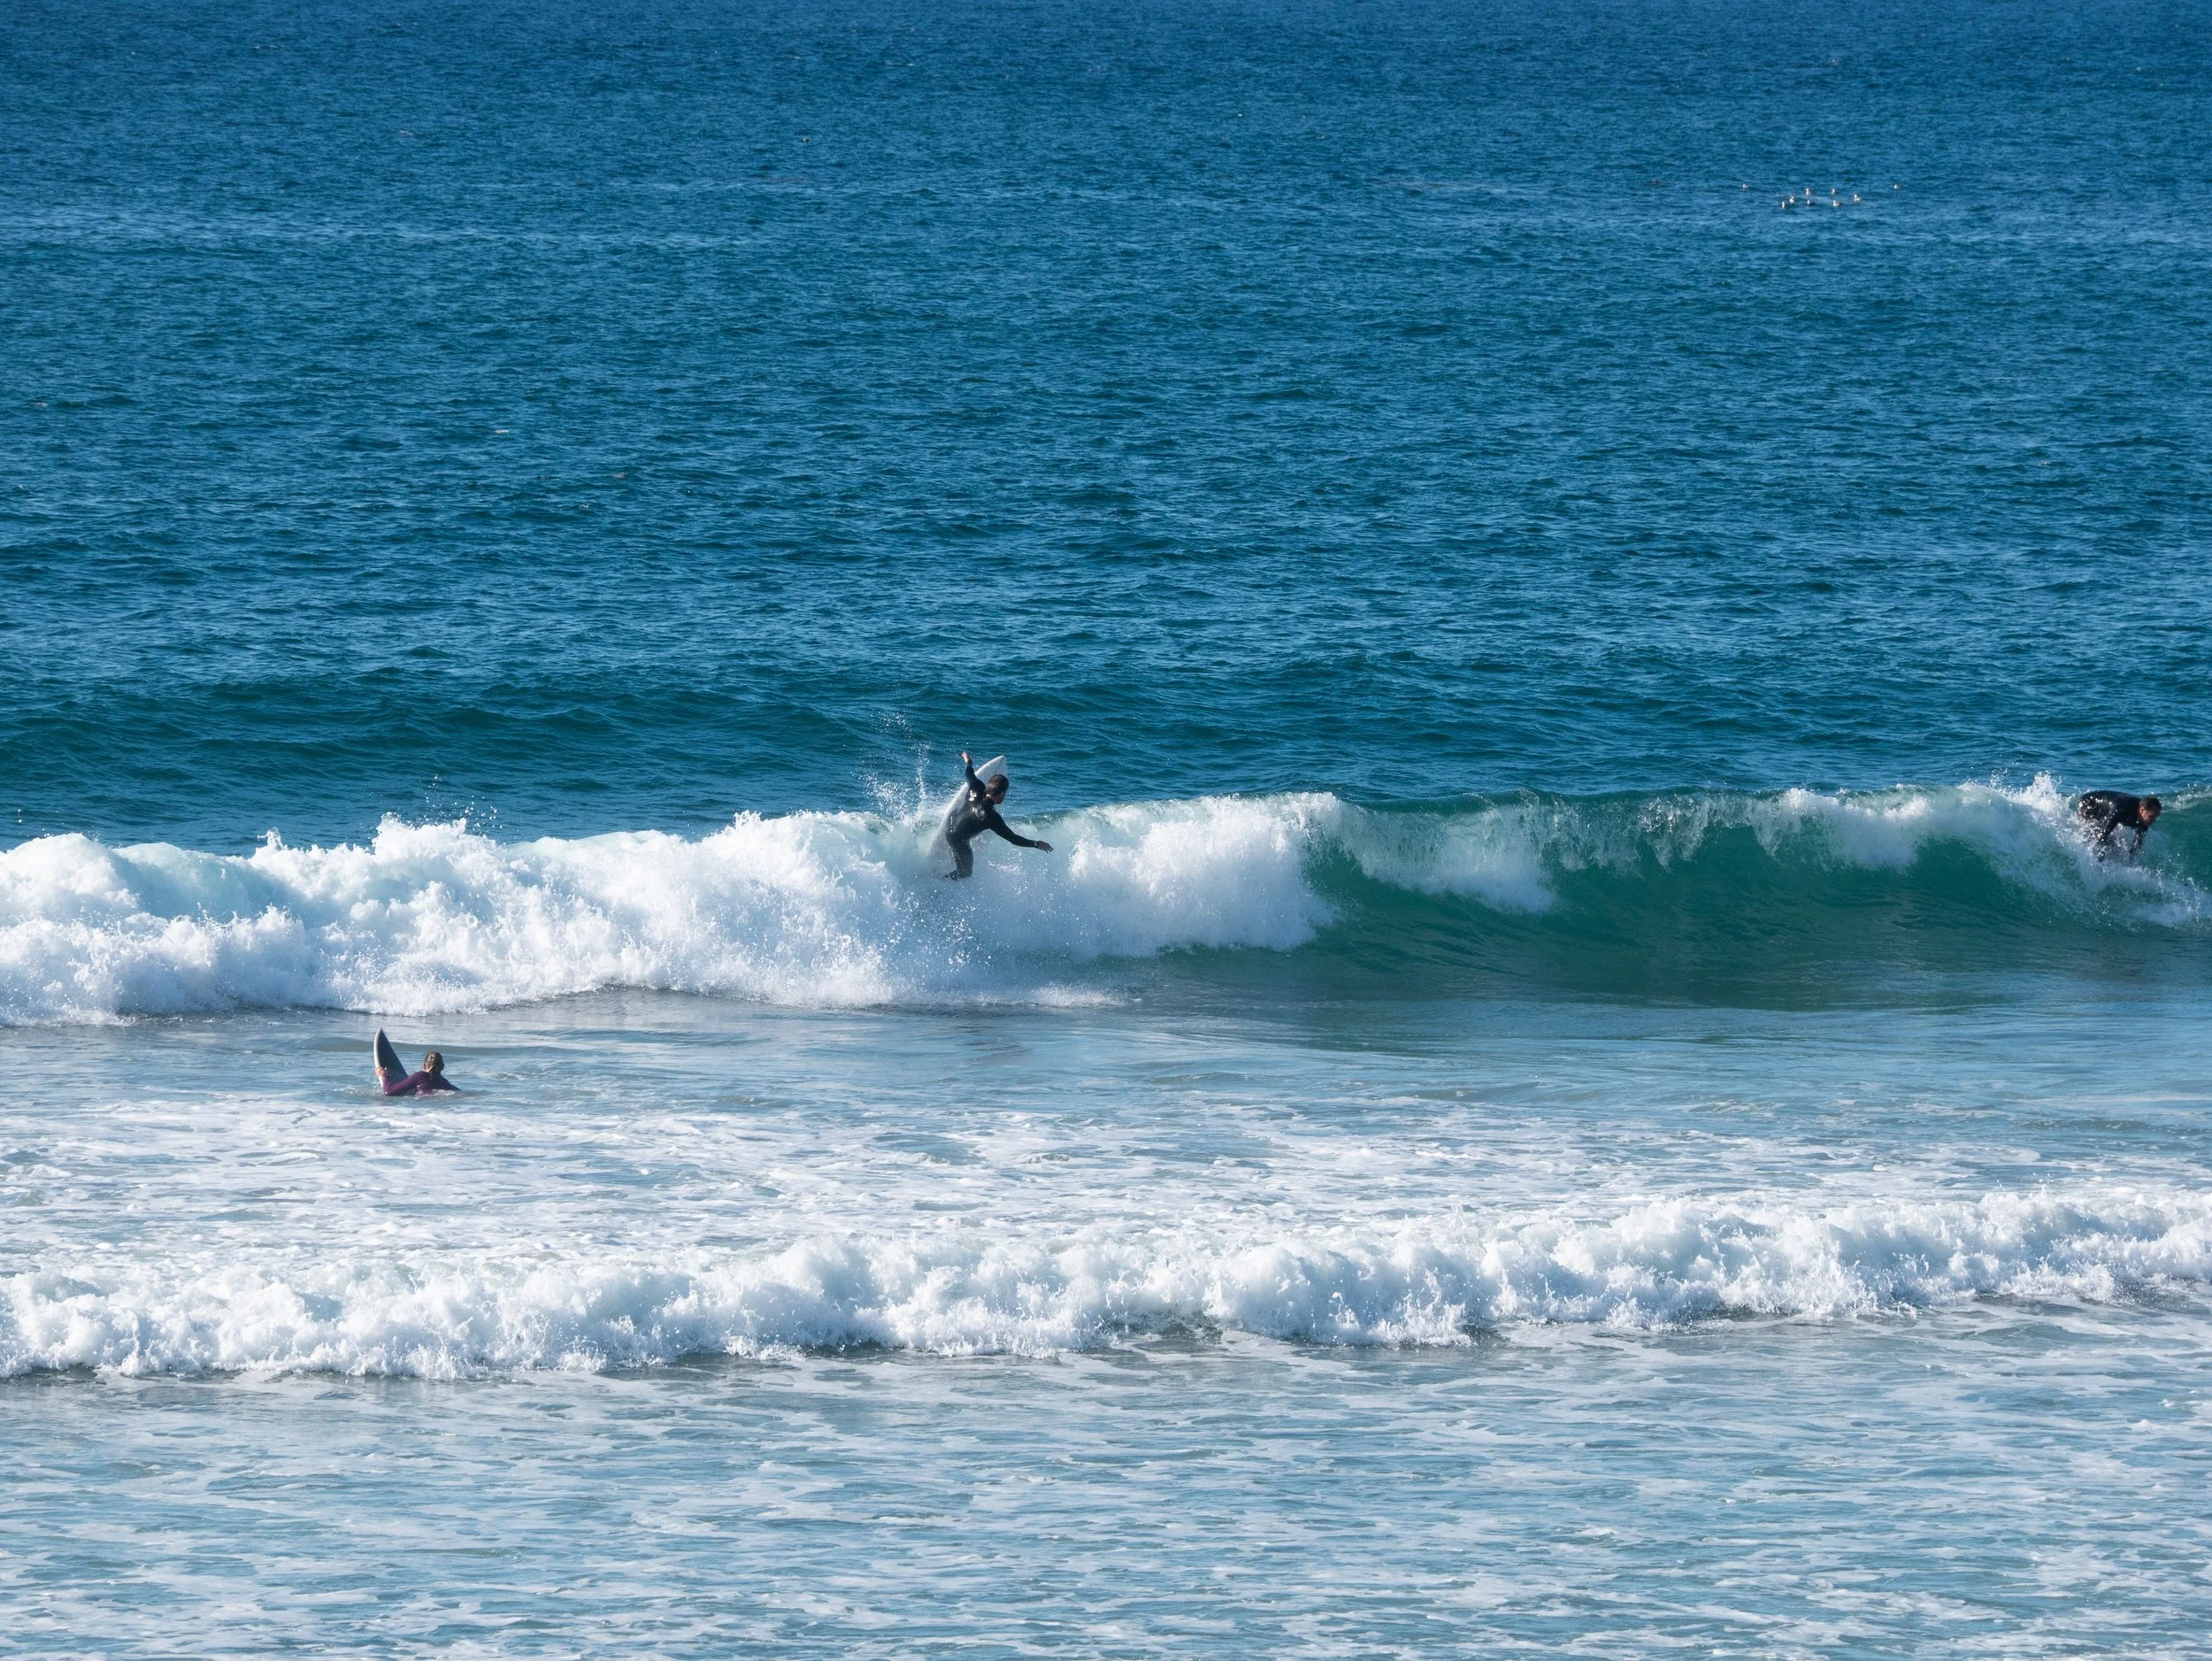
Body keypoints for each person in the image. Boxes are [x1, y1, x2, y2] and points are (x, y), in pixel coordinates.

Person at [945, 750, 1054, 880]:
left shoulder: (976, 786)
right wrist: (1037, 844)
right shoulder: (992, 818)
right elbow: (1013, 839)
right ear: (1002, 794)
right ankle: (940, 881)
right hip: (957, 840)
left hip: (950, 821)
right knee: (966, 872)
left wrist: (968, 762)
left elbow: (969, 774)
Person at [2074, 789, 2162, 859]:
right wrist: (2100, 857)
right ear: (2142, 810)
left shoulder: (2145, 821)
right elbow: (2104, 834)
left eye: (2156, 817)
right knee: (2094, 834)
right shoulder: (2122, 809)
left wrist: (2131, 862)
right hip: (2088, 804)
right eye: (2152, 816)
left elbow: (2136, 846)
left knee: (2113, 847)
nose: (2153, 821)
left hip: (2106, 809)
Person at [374, 1029, 461, 1096]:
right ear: (442, 1067)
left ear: (424, 1066)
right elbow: (459, 1092)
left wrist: (384, 1075)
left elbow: (388, 1092)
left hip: (420, 1106)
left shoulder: (420, 1076)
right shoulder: (443, 1082)